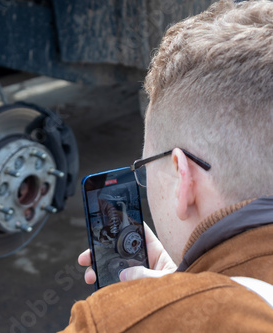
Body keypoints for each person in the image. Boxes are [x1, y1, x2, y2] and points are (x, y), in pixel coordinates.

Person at [61, 0, 273, 331]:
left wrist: (156, 306)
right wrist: (184, 281)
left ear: (181, 176)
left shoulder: (115, 320)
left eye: (145, 165)